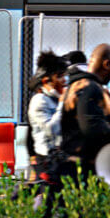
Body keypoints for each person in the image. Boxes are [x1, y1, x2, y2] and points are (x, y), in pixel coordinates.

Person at [59, 43, 110, 180]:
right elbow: (92, 126)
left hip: (73, 163)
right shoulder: (91, 87)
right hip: (81, 166)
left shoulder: (78, 85)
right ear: (106, 64)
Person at [27, 50, 67, 181]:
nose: (64, 80)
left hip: (60, 157)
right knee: (50, 196)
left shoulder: (56, 98)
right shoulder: (40, 100)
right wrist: (62, 105)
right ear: (46, 80)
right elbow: (51, 130)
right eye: (60, 76)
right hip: (46, 159)